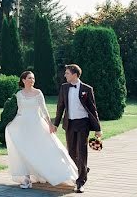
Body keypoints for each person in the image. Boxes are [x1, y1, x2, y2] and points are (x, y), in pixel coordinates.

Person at [6, 71, 78, 190]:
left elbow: (44, 110)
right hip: (23, 125)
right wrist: (13, 122)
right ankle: (27, 179)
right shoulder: (19, 94)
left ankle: (69, 176)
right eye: (29, 78)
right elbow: (20, 111)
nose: (32, 80)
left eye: (33, 78)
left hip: (37, 125)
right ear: (23, 80)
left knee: (51, 149)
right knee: (25, 151)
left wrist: (50, 124)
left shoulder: (38, 92)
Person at [54, 64, 103, 193]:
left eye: (67, 73)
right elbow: (60, 107)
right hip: (69, 124)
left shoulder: (87, 89)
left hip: (83, 124)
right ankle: (82, 169)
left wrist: (98, 128)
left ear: (74, 74)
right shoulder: (64, 88)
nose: (65, 75)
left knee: (81, 152)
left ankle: (80, 181)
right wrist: (55, 124)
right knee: (71, 152)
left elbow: (93, 109)